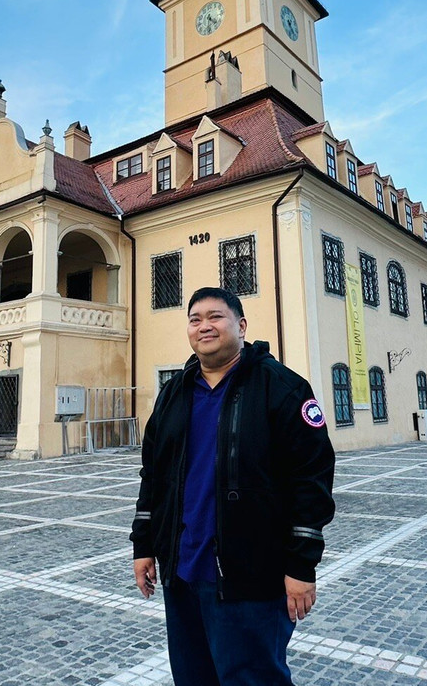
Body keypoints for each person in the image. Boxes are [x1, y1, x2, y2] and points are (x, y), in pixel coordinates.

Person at [130, 287, 336, 686]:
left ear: (241, 325)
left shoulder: (281, 388)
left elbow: (312, 481)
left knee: (253, 679)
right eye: (195, 319)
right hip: (184, 573)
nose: (204, 326)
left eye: (215, 316)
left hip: (252, 576)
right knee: (193, 678)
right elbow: (152, 476)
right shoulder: (174, 394)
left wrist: (301, 564)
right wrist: (144, 545)